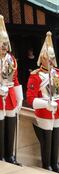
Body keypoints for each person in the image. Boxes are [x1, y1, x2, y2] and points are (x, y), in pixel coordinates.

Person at [26, 31, 59, 174]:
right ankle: (47, 164)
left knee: (56, 137)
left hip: (57, 110)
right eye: (47, 58)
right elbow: (31, 99)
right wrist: (45, 104)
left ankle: (55, 164)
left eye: (52, 58)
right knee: (47, 139)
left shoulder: (57, 73)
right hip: (44, 110)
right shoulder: (36, 76)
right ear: (42, 59)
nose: (50, 61)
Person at [0, 15, 23, 165]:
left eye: (5, 45)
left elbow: (15, 79)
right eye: (1, 45)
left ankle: (10, 155)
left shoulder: (11, 59)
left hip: (10, 97)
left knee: (10, 127)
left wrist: (19, 98)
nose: (4, 48)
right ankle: (1, 155)